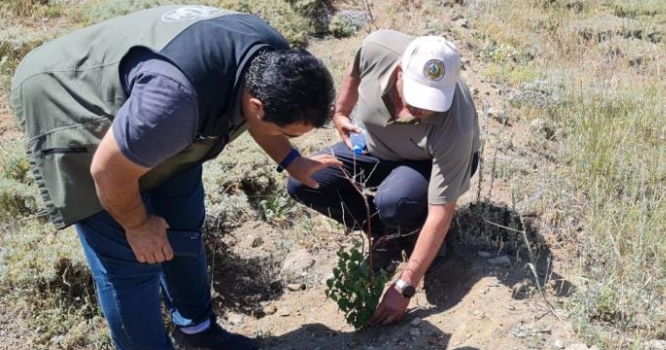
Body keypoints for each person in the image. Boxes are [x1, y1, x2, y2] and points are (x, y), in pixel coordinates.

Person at [11, 5, 340, 350]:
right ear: (257, 106)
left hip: (153, 113)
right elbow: (107, 172)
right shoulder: (172, 104)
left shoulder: (272, 56)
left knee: (182, 226)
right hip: (67, 94)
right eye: (287, 133)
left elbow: (262, 121)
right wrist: (137, 226)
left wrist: (293, 160)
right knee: (129, 261)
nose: (285, 137)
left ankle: (197, 332)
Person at [287, 30, 480, 326]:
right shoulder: (377, 48)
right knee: (305, 181)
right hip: (377, 152)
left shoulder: (456, 125)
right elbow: (354, 72)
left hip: (426, 165)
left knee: (396, 202)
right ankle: (385, 234)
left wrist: (406, 285)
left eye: (428, 104)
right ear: (400, 71)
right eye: (413, 98)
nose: (412, 112)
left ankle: (416, 235)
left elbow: (442, 211)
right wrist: (340, 113)